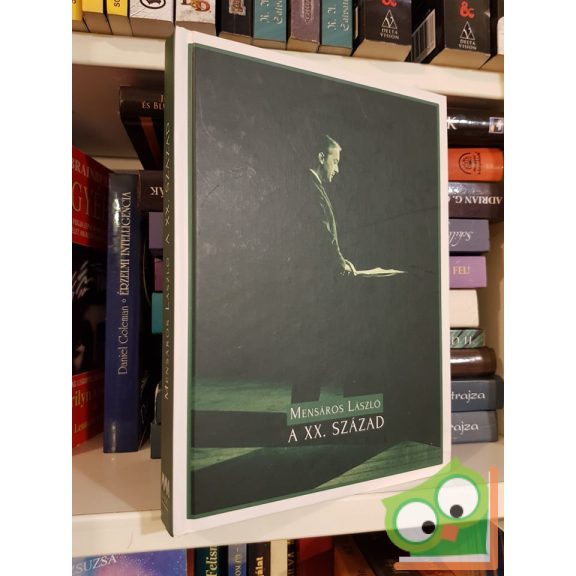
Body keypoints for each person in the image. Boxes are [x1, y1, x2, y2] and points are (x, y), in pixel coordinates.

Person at [309, 135, 404, 278]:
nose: (337, 169)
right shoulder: (311, 188)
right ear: (322, 158)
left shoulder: (314, 185)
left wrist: (341, 261)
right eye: (335, 162)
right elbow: (322, 233)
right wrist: (341, 264)